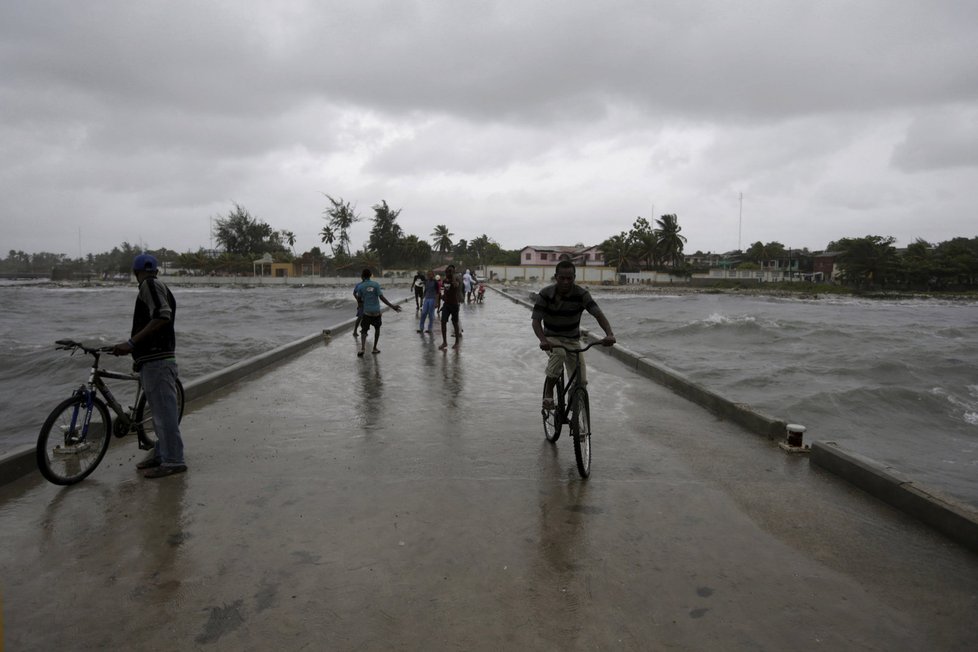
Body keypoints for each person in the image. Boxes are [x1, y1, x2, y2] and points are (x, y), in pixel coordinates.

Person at [112, 253, 187, 478]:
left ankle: (174, 460)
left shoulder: (149, 285)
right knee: (159, 414)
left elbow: (163, 315)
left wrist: (132, 343)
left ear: (136, 272)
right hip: (153, 360)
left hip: (158, 361)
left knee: (164, 416)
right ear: (156, 269)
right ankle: (161, 454)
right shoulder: (156, 284)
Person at [532, 260, 616, 410]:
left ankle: (577, 418)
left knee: (581, 382)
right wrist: (543, 340)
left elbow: (598, 315)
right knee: (559, 354)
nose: (566, 281)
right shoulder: (545, 294)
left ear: (574, 277)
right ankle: (549, 391)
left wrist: (609, 334)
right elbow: (536, 321)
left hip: (572, 340)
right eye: (562, 278)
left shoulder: (582, 294)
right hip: (552, 338)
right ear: (556, 277)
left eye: (569, 278)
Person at [355, 268, 402, 356]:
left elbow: (359, 299)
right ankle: (375, 348)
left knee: (364, 331)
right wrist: (392, 306)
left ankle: (362, 349)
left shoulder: (360, 286)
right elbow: (381, 297)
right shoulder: (376, 285)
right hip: (376, 312)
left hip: (367, 313)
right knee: (377, 329)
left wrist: (360, 305)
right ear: (370, 275)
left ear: (362, 276)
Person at [438, 264, 463, 350]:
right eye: (448, 271)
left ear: (453, 272)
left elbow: (456, 285)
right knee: (443, 322)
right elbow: (445, 292)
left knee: (455, 323)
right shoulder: (444, 281)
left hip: (454, 305)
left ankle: (456, 342)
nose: (449, 272)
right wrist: (442, 300)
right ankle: (444, 342)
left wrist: (453, 276)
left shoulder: (456, 280)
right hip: (446, 305)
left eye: (451, 271)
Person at [418, 270, 439, 334]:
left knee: (430, 314)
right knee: (423, 313)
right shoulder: (426, 281)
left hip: (432, 299)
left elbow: (437, 293)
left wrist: (436, 302)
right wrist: (422, 298)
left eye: (430, 274)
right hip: (426, 299)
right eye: (428, 275)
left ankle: (430, 329)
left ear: (433, 275)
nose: (429, 276)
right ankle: (421, 328)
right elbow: (426, 290)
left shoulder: (435, 282)